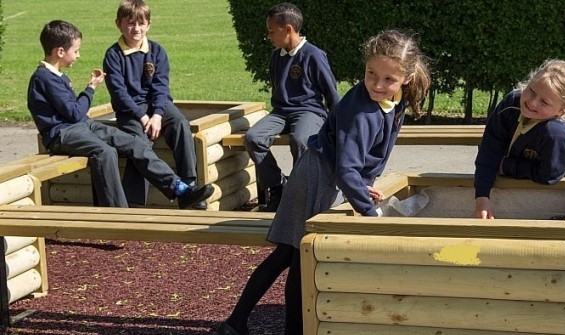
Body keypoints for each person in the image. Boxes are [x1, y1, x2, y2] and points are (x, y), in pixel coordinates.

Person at [217, 29, 430, 335]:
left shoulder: (392, 99)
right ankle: (255, 325)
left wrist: (361, 181)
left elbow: (356, 160)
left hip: (326, 174)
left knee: (290, 255)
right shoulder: (362, 111)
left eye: (388, 79)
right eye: (371, 74)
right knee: (296, 255)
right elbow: (345, 167)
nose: (378, 84)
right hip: (314, 176)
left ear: (406, 78)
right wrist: (371, 216)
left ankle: (236, 323)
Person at [27, 20, 214, 209]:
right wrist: (90, 88)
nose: (78, 55)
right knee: (105, 153)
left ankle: (181, 189)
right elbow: (75, 113)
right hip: (62, 134)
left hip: (82, 126)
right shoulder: (44, 78)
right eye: (75, 51)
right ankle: (118, 212)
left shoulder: (57, 76)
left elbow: (75, 113)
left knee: (134, 143)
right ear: (60, 52)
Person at [103, 0, 205, 209]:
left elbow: (161, 87)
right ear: (118, 24)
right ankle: (134, 202)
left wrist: (157, 115)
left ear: (149, 24)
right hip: (130, 111)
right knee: (138, 144)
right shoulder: (113, 55)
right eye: (130, 23)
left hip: (157, 105)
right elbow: (119, 93)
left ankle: (189, 185)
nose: (136, 29)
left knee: (179, 124)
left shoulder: (157, 51)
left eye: (141, 23)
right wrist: (142, 117)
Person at [244, 2, 340, 212]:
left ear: (288, 29)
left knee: (301, 140)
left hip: (309, 111)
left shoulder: (313, 55)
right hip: (280, 113)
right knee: (253, 138)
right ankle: (278, 186)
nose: (269, 36)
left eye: (271, 31)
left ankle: (301, 194)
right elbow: (277, 88)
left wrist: (338, 125)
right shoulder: (275, 56)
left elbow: (331, 93)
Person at [474, 59, 565, 219]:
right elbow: (489, 150)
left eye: (544, 102)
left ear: (561, 111)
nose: (532, 102)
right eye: (532, 91)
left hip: (547, 206)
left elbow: (549, 175)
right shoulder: (511, 104)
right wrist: (482, 196)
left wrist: (506, 166)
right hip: (507, 194)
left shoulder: (556, 134)